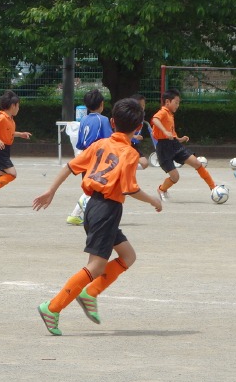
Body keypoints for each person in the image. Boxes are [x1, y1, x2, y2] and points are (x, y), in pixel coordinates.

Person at [32, 97, 163, 335]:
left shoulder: (100, 144)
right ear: (138, 128)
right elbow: (130, 189)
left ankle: (90, 293)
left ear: (112, 122)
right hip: (107, 210)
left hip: (93, 206)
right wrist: (153, 200)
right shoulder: (130, 153)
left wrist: (51, 191)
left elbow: (69, 167)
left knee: (128, 256)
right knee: (96, 266)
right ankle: (52, 307)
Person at [151, 88, 219, 201]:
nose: (178, 105)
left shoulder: (170, 115)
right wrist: (164, 131)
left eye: (179, 103)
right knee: (175, 177)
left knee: (197, 163)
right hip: (163, 148)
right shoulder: (163, 112)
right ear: (167, 102)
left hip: (174, 144)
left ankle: (213, 187)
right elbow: (155, 120)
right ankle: (162, 189)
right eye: (176, 102)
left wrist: (179, 138)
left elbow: (171, 132)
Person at [65, 89, 113, 225]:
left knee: (90, 188)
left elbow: (80, 143)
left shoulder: (84, 119)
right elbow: (110, 139)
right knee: (97, 188)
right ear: (102, 104)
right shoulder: (103, 120)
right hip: (96, 159)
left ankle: (75, 215)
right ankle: (88, 210)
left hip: (84, 155)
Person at [128, 93, 151, 170]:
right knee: (143, 163)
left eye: (143, 105)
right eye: (140, 106)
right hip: (127, 144)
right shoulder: (128, 117)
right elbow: (121, 133)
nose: (142, 108)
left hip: (134, 145)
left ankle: (127, 169)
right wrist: (134, 136)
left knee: (145, 164)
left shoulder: (141, 116)